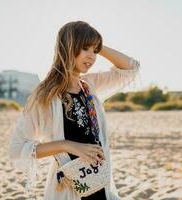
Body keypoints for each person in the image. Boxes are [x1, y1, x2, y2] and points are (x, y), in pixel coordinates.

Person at [8, 21, 140, 200]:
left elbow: (131, 68)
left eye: (95, 51)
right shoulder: (45, 95)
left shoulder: (90, 85)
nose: (92, 56)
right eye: (85, 48)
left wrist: (98, 45)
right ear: (68, 47)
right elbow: (18, 149)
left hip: (101, 184)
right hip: (69, 189)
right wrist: (67, 145)